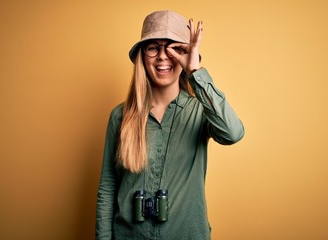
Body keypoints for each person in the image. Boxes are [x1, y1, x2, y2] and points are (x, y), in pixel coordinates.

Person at [96, 10, 244, 240]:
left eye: (174, 48)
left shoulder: (200, 111)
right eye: (153, 47)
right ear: (142, 56)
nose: (163, 57)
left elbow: (233, 133)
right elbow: (108, 187)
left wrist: (194, 70)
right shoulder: (120, 116)